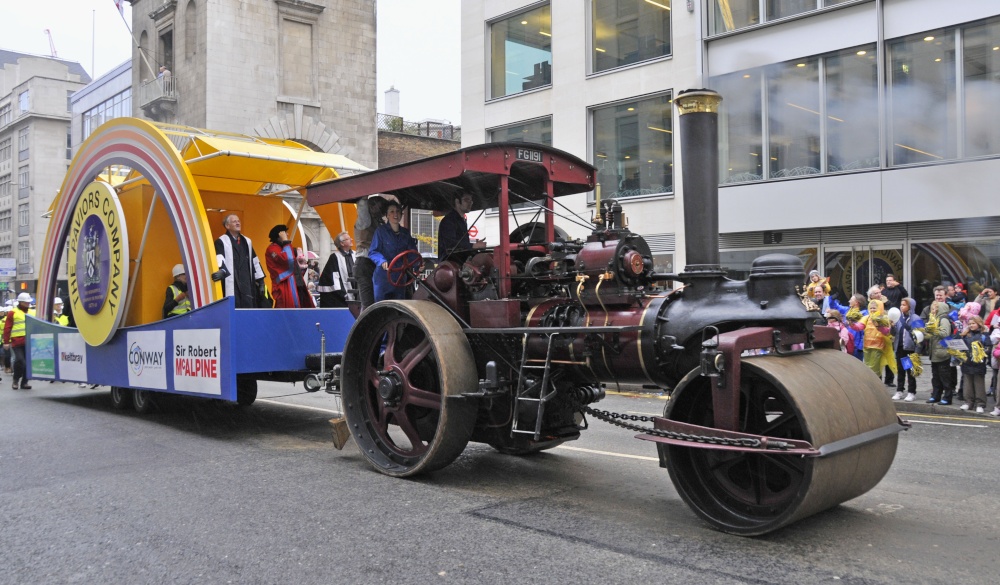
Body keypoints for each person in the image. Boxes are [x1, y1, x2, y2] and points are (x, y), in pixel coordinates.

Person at [369, 201, 419, 302]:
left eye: (398, 211)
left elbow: (412, 253)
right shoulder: (380, 231)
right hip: (383, 277)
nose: (395, 214)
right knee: (382, 305)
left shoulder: (405, 233)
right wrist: (381, 261)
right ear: (387, 215)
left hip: (400, 277)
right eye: (392, 212)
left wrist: (418, 265)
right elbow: (373, 252)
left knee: (399, 305)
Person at [215, 214, 266, 308]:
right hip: (232, 282)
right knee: (234, 306)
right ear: (227, 226)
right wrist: (222, 270)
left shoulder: (247, 241)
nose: (238, 223)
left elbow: (254, 261)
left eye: (238, 221)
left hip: (246, 281)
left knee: (248, 306)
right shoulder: (221, 241)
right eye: (234, 221)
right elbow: (219, 258)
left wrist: (261, 282)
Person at [264, 224, 316, 308]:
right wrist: (286, 241)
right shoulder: (272, 249)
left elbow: (293, 266)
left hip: (297, 286)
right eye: (285, 233)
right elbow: (288, 260)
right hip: (284, 286)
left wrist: (301, 266)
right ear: (279, 235)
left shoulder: (284, 247)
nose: (287, 234)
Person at [353, 195, 388, 310]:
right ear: (372, 207)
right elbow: (362, 205)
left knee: (374, 303)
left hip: (371, 263)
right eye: (381, 208)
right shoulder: (366, 221)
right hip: (365, 263)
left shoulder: (379, 222)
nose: (383, 212)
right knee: (368, 304)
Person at [437, 192, 486, 261]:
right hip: (450, 262)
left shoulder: (461, 220)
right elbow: (450, 244)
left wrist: (474, 243)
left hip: (460, 260)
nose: (470, 203)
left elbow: (460, 241)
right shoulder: (449, 221)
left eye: (471, 201)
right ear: (457, 201)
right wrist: (473, 245)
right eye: (466, 200)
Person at [957, 315, 991, 413]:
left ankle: (980, 404)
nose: (971, 325)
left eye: (973, 323)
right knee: (967, 384)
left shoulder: (984, 335)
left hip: (979, 364)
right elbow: (961, 347)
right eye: (969, 324)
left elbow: (988, 348)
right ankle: (968, 402)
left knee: (979, 385)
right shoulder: (966, 334)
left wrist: (981, 353)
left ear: (979, 324)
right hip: (967, 363)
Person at [891, 297, 921, 402]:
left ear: (910, 307)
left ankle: (911, 392)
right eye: (901, 304)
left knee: (909, 371)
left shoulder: (915, 318)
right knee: (900, 371)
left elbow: (920, 336)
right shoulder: (898, 317)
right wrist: (892, 327)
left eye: (904, 305)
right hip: (900, 348)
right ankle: (899, 390)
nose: (901, 307)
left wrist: (917, 351)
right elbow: (893, 333)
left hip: (909, 349)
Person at [926, 298, 956, 405]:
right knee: (936, 377)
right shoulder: (935, 319)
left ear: (940, 309)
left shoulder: (943, 319)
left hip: (942, 352)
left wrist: (933, 330)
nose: (932, 310)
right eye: (932, 308)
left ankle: (947, 397)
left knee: (945, 377)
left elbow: (945, 333)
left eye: (934, 308)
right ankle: (936, 395)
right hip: (935, 352)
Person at [3, 292, 35, 390]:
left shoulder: (33, 312)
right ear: (20, 302)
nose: (28, 304)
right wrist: (6, 342)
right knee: (21, 361)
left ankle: (24, 382)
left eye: (28, 302)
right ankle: (15, 380)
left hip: (30, 341)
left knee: (27, 363)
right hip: (17, 342)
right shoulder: (13, 312)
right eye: (26, 302)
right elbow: (7, 328)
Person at [318, 231, 356, 308]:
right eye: (348, 239)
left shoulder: (356, 254)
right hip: (341, 298)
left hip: (357, 293)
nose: (351, 239)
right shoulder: (335, 257)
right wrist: (343, 294)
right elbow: (333, 278)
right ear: (342, 243)